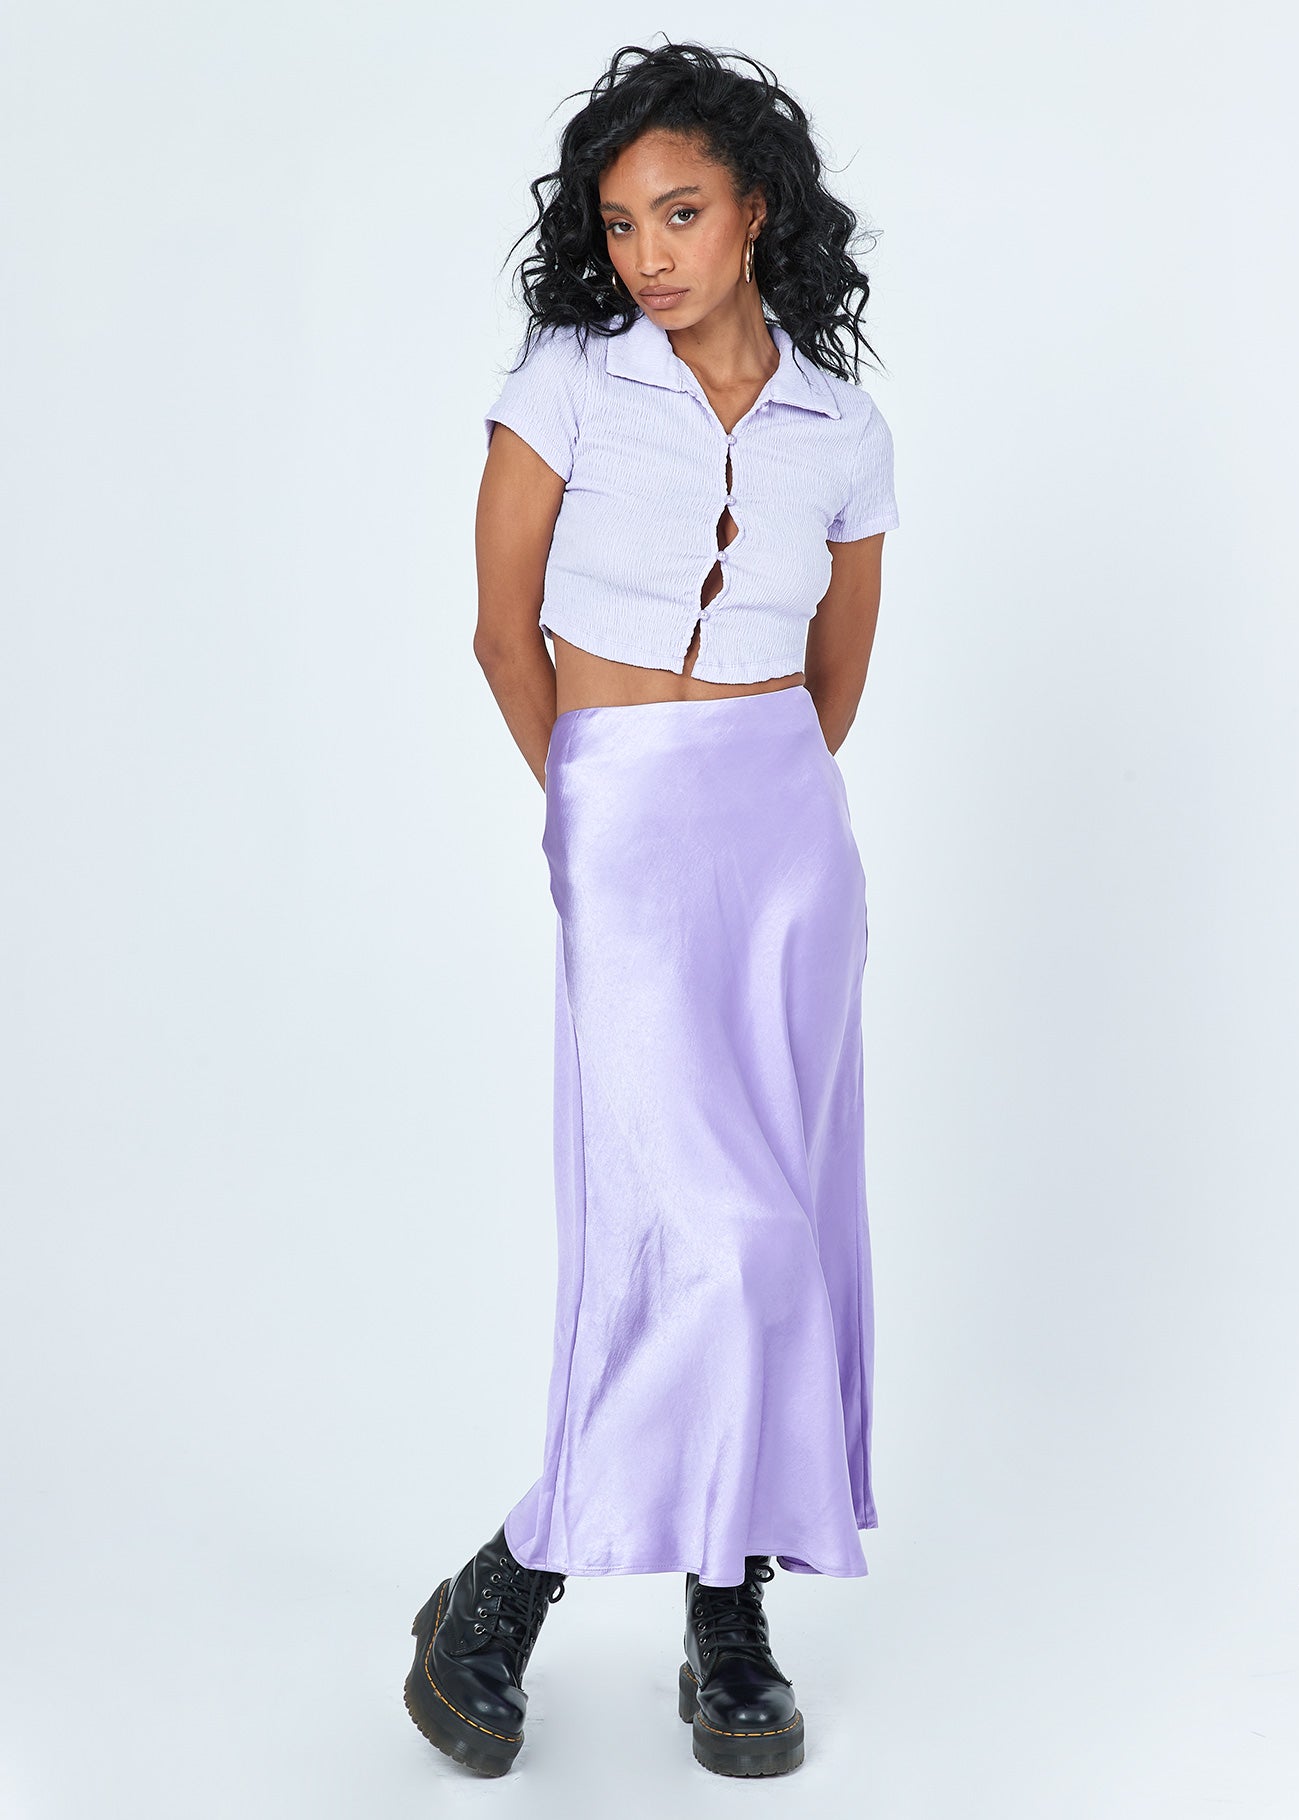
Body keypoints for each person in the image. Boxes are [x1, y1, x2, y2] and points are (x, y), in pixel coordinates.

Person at [403, 40, 900, 1781]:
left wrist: (752, 794)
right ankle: (519, 1568)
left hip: (787, 842)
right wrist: (589, 808)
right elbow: (501, 632)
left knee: (781, 1234)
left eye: (679, 214)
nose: (648, 255)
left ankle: (725, 1606)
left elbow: (834, 682)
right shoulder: (569, 380)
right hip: (618, 810)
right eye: (620, 225)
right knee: (697, 1226)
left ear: (755, 209)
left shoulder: (846, 429)